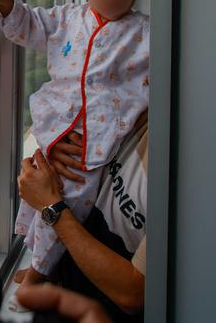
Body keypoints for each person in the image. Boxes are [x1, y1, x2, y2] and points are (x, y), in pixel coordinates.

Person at [0, 0, 149, 284]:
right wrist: (2, 0)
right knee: (34, 193)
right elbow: (29, 25)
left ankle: (40, 270)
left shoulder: (146, 34)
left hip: (92, 145)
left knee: (67, 201)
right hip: (53, 131)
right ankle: (34, 255)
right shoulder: (67, 19)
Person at [15, 113, 147, 322]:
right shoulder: (133, 112)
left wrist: (51, 207)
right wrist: (61, 143)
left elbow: (132, 294)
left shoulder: (177, 173)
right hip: (67, 291)